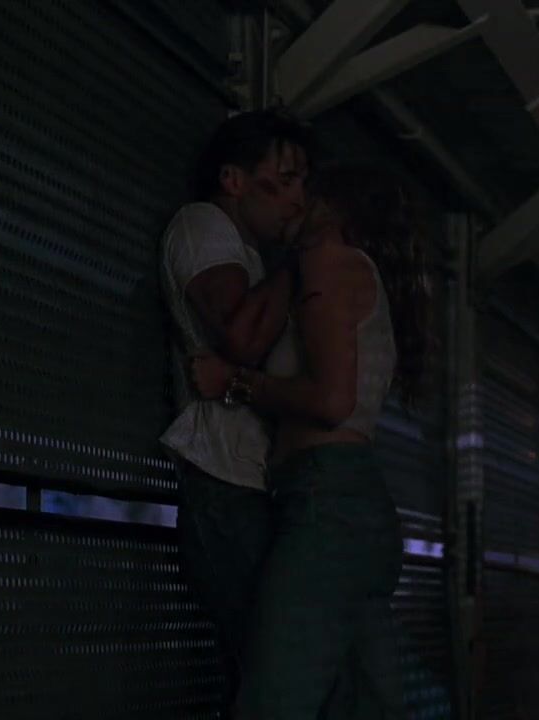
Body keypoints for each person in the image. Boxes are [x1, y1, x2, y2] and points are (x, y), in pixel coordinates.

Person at [191, 164, 432, 718]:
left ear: (332, 205)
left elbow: (330, 402)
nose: (293, 200)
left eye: (305, 188)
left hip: (327, 508)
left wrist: (231, 383)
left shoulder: (329, 262)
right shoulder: (346, 270)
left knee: (272, 703)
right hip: (354, 510)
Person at [158, 108, 314, 712]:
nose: (298, 198)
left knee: (274, 667)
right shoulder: (203, 226)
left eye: (304, 183)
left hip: (250, 483)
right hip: (224, 482)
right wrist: (303, 259)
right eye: (286, 179)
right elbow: (238, 335)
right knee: (265, 670)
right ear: (233, 179)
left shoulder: (251, 255)